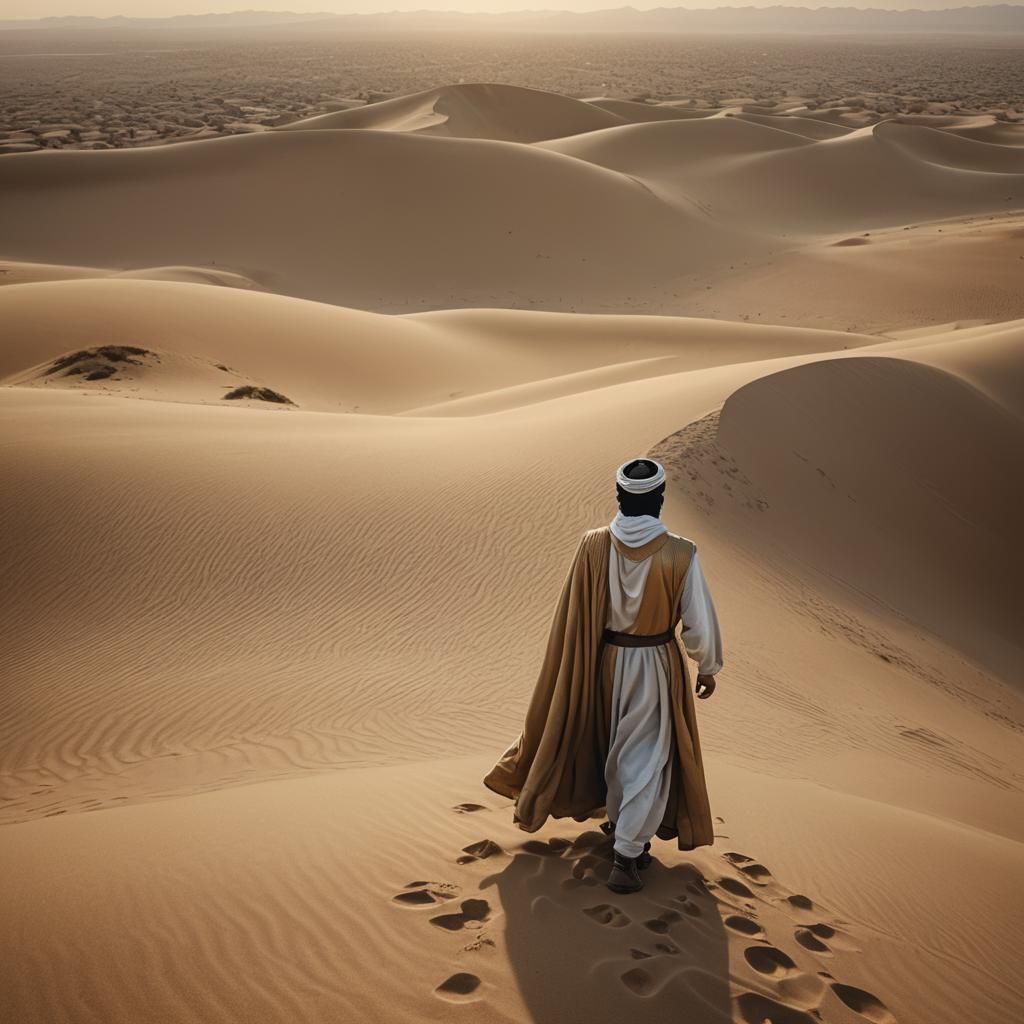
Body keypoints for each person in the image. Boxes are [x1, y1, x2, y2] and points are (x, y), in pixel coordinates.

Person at [483, 457, 723, 894]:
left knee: (614, 748)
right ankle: (626, 856)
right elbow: (698, 622)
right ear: (660, 498)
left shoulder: (593, 544)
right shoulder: (681, 553)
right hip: (654, 666)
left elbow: (573, 614)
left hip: (601, 664)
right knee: (646, 760)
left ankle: (623, 829)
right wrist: (706, 665)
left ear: (619, 497)